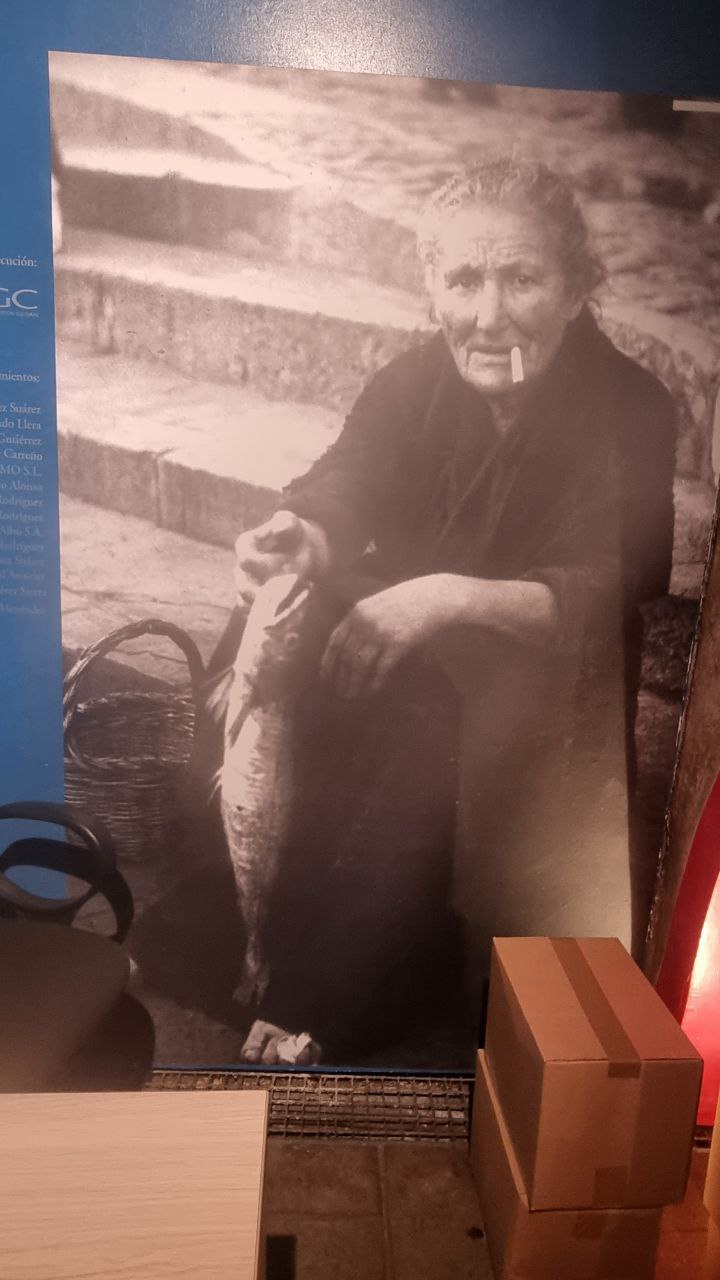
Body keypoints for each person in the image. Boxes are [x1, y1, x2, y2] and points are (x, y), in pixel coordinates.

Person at [225, 156, 676, 1067]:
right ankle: (261, 940)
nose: (488, 314)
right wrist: (299, 535)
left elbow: (611, 582)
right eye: (463, 279)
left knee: (425, 715)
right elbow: (351, 477)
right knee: (286, 625)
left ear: (577, 286)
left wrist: (440, 598)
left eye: (521, 277)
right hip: (410, 636)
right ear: (430, 283)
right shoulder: (412, 381)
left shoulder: (632, 406)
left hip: (544, 666)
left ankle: (328, 991)